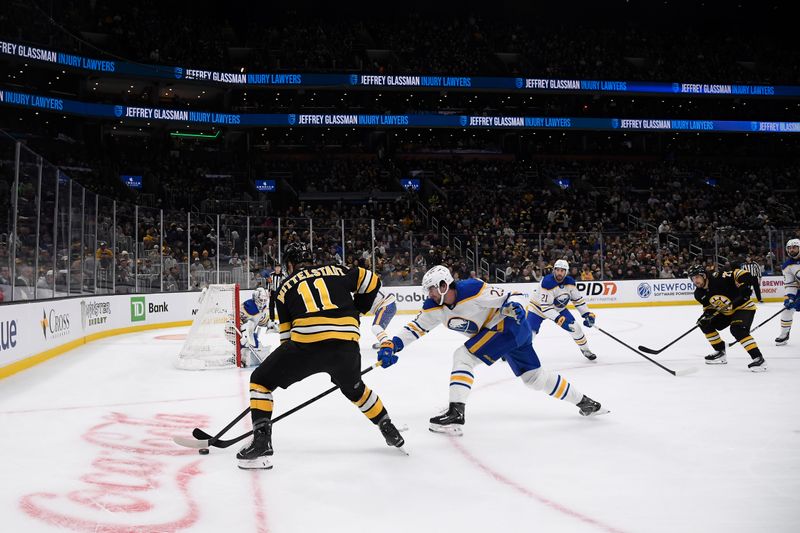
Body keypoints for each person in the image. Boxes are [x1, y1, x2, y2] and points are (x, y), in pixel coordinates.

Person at [376, 265, 608, 436]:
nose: (429, 295)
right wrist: (392, 345)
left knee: (463, 356)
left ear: (444, 285)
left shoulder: (472, 289)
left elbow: (512, 296)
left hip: (510, 326)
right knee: (534, 378)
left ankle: (457, 412)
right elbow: (414, 329)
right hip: (512, 334)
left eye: (432, 290)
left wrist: (513, 306)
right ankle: (586, 403)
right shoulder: (434, 308)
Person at [237, 242, 405, 469]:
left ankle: (262, 439)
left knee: (261, 381)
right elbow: (373, 280)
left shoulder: (285, 286)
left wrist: (285, 367)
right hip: (346, 345)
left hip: (306, 345)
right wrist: (359, 308)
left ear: (289, 264)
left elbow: (286, 338)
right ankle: (388, 427)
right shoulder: (337, 269)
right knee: (355, 389)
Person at [688, 265, 766, 371]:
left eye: (697, 277)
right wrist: (706, 316)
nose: (695, 280)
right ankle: (720, 352)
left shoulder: (719, 278)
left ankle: (758, 358)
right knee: (705, 324)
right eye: (693, 278)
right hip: (726, 313)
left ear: (704, 276)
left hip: (743, 307)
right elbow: (709, 308)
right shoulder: (699, 293)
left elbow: (742, 274)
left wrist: (744, 286)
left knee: (737, 329)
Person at [529, 259, 598, 361]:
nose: (559, 273)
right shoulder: (547, 282)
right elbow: (546, 308)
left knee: (576, 328)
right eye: (557, 270)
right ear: (554, 270)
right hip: (537, 308)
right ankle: (513, 351)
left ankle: (586, 350)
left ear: (566, 272)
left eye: (562, 270)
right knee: (529, 333)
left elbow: (578, 300)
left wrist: (587, 314)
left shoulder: (570, 283)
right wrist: (559, 319)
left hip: (558, 309)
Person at [238, 287, 271, 366]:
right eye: (261, 300)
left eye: (264, 300)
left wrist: (269, 324)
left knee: (255, 344)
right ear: (256, 298)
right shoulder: (248, 306)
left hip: (248, 332)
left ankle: (245, 357)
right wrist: (243, 333)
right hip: (234, 330)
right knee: (244, 342)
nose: (262, 302)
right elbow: (236, 319)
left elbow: (261, 321)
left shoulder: (262, 308)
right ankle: (238, 358)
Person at [776, 238, 800, 345]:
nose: (791, 250)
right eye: (789, 248)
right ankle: (784, 334)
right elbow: (790, 284)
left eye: (794, 247)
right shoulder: (787, 265)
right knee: (786, 310)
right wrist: (790, 297)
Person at [266, 264, 286, 330]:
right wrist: (269, 291)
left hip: (279, 293)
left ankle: (281, 319)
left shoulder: (283, 276)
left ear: (280, 268)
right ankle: (272, 319)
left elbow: (284, 285)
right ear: (275, 268)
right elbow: (269, 283)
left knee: (280, 306)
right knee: (271, 306)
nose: (277, 269)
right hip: (272, 292)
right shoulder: (271, 275)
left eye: (279, 267)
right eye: (276, 267)